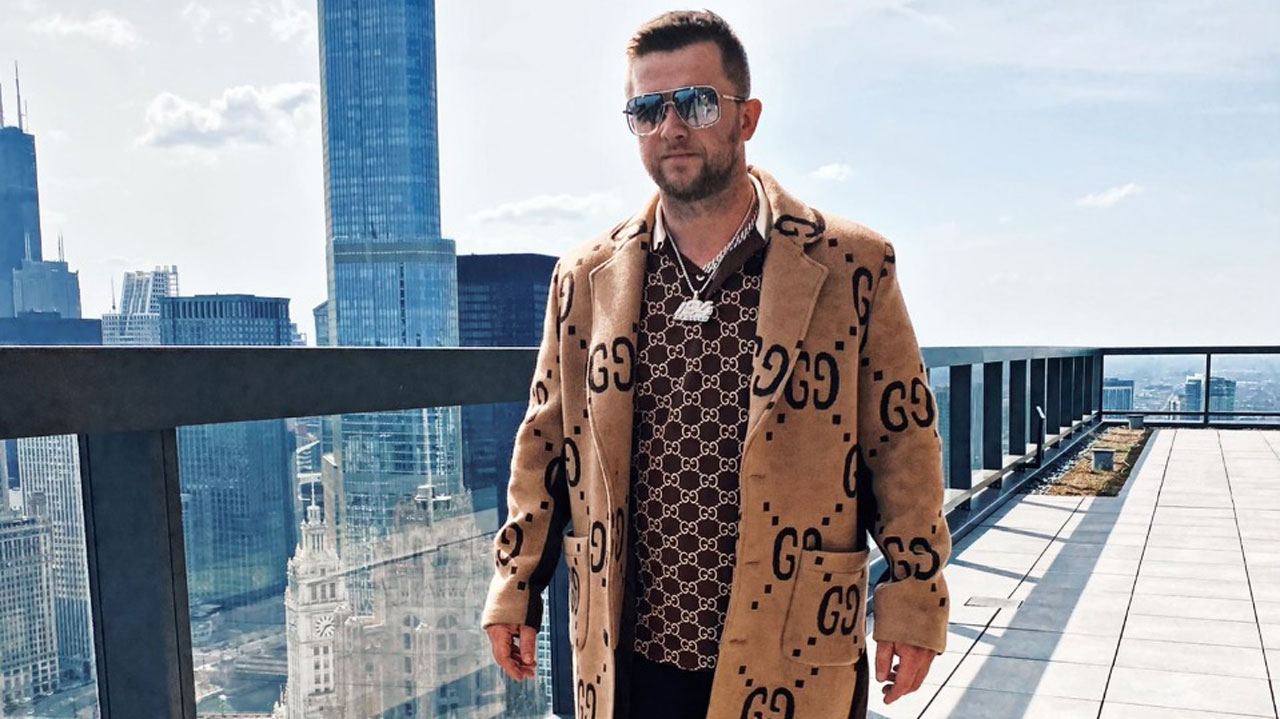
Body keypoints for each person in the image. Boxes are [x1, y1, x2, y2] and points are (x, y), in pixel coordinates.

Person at [482, 10, 951, 719]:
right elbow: (544, 443)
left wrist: (914, 599)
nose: (671, 127)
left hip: (792, 646)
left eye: (697, 103)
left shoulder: (851, 265)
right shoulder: (585, 277)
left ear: (747, 117)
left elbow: (902, 442)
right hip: (629, 656)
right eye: (648, 109)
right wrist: (515, 585)